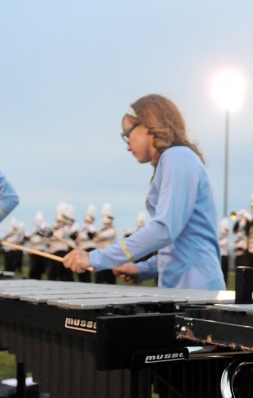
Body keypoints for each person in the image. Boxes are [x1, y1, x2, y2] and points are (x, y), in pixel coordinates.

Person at [62, 94, 225, 291]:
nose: (128, 146)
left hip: (198, 293)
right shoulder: (174, 161)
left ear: (148, 125)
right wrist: (143, 269)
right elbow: (179, 246)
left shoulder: (178, 157)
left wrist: (96, 257)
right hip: (182, 291)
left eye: (127, 134)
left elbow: (164, 230)